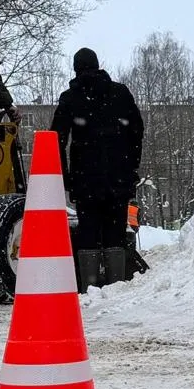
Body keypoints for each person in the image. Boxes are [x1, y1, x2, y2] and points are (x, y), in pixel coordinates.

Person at [52, 47, 145, 251]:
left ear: (75, 69)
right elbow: (137, 130)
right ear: (97, 65)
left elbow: (57, 139)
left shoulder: (70, 97)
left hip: (85, 177)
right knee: (116, 232)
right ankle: (116, 277)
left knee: (88, 233)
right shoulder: (120, 93)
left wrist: (64, 176)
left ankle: (90, 277)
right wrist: (131, 166)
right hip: (118, 175)